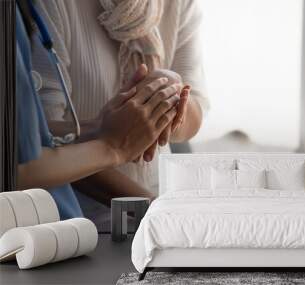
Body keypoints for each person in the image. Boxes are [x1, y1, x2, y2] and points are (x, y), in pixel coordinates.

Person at [16, 0, 183, 219]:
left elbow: (36, 138)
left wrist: (103, 126)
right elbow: (22, 166)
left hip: (68, 227)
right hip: (60, 223)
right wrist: (113, 146)